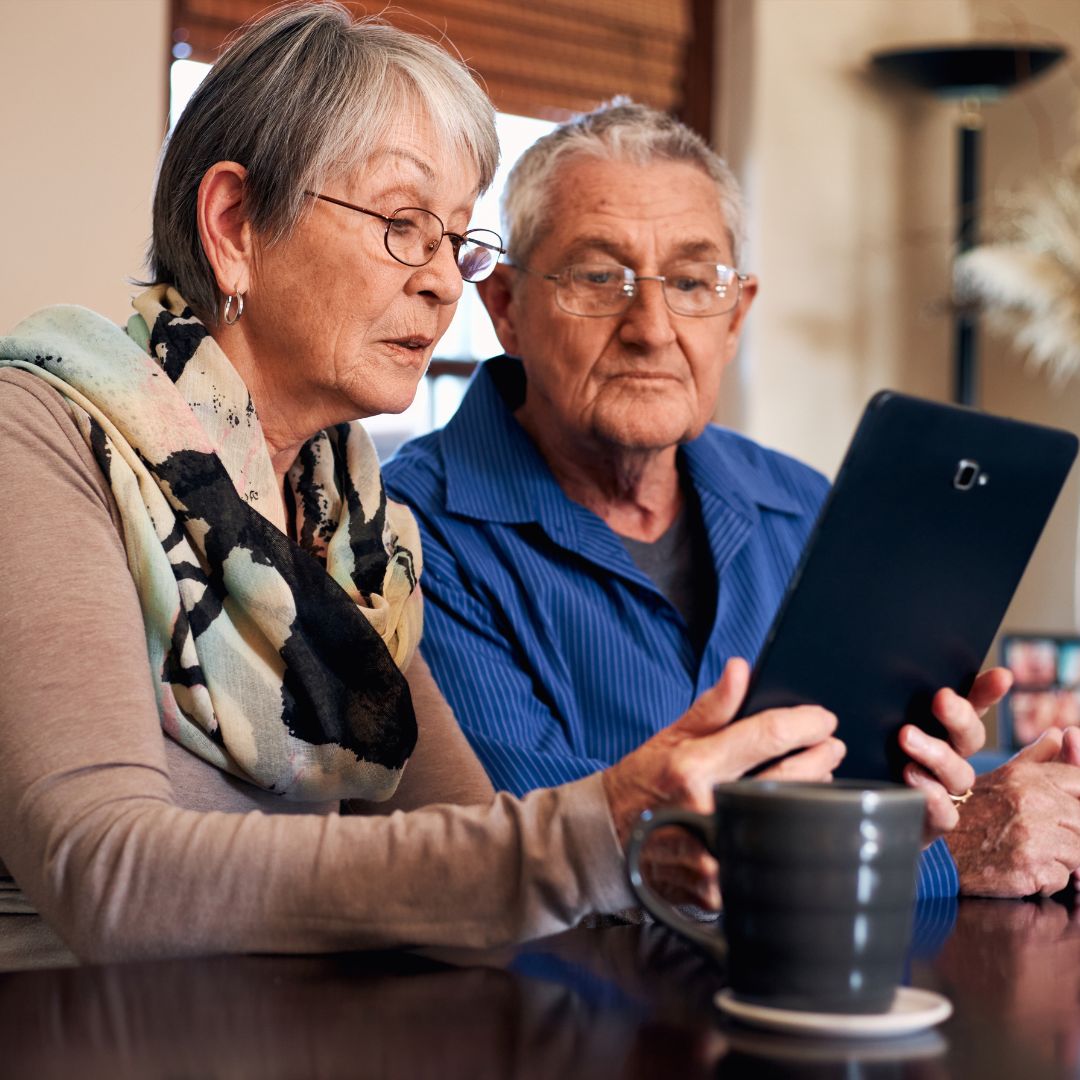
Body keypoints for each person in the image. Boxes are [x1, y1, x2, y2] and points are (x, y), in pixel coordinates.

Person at [0, 4, 860, 970]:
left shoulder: (352, 528)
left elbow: (479, 867)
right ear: (235, 225)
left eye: (455, 240)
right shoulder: (35, 435)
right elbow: (107, 875)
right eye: (404, 226)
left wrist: (680, 837)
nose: (446, 284)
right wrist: (601, 828)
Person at [384, 101, 1080, 899]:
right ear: (506, 307)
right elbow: (537, 858)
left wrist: (946, 791)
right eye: (599, 277)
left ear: (736, 316)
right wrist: (936, 851)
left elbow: (869, 788)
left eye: (691, 282)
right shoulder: (406, 533)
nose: (652, 328)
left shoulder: (803, 505)